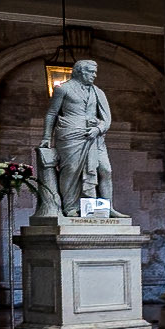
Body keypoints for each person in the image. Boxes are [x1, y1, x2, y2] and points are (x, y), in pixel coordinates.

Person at [41, 59, 113, 214]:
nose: (94, 75)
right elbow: (52, 113)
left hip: (94, 137)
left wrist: (98, 129)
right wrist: (46, 137)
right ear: (80, 71)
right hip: (70, 134)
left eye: (95, 72)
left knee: (105, 169)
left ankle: (107, 208)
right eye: (91, 72)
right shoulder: (63, 89)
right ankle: (70, 206)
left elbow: (107, 119)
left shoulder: (98, 92)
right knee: (71, 169)